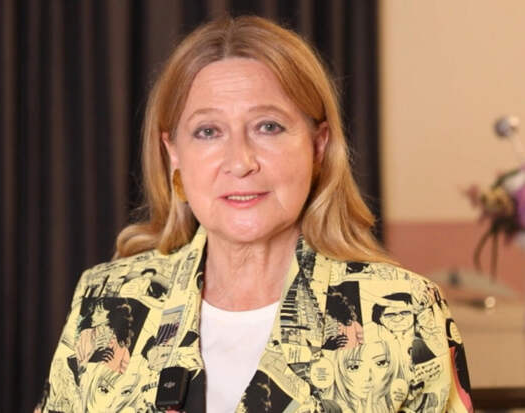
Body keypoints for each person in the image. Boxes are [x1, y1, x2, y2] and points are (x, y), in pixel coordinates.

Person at [36, 15, 473, 413]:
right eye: (208, 131)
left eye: (268, 126)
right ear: (173, 154)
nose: (240, 161)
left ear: (318, 146)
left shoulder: (404, 312)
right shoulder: (107, 301)